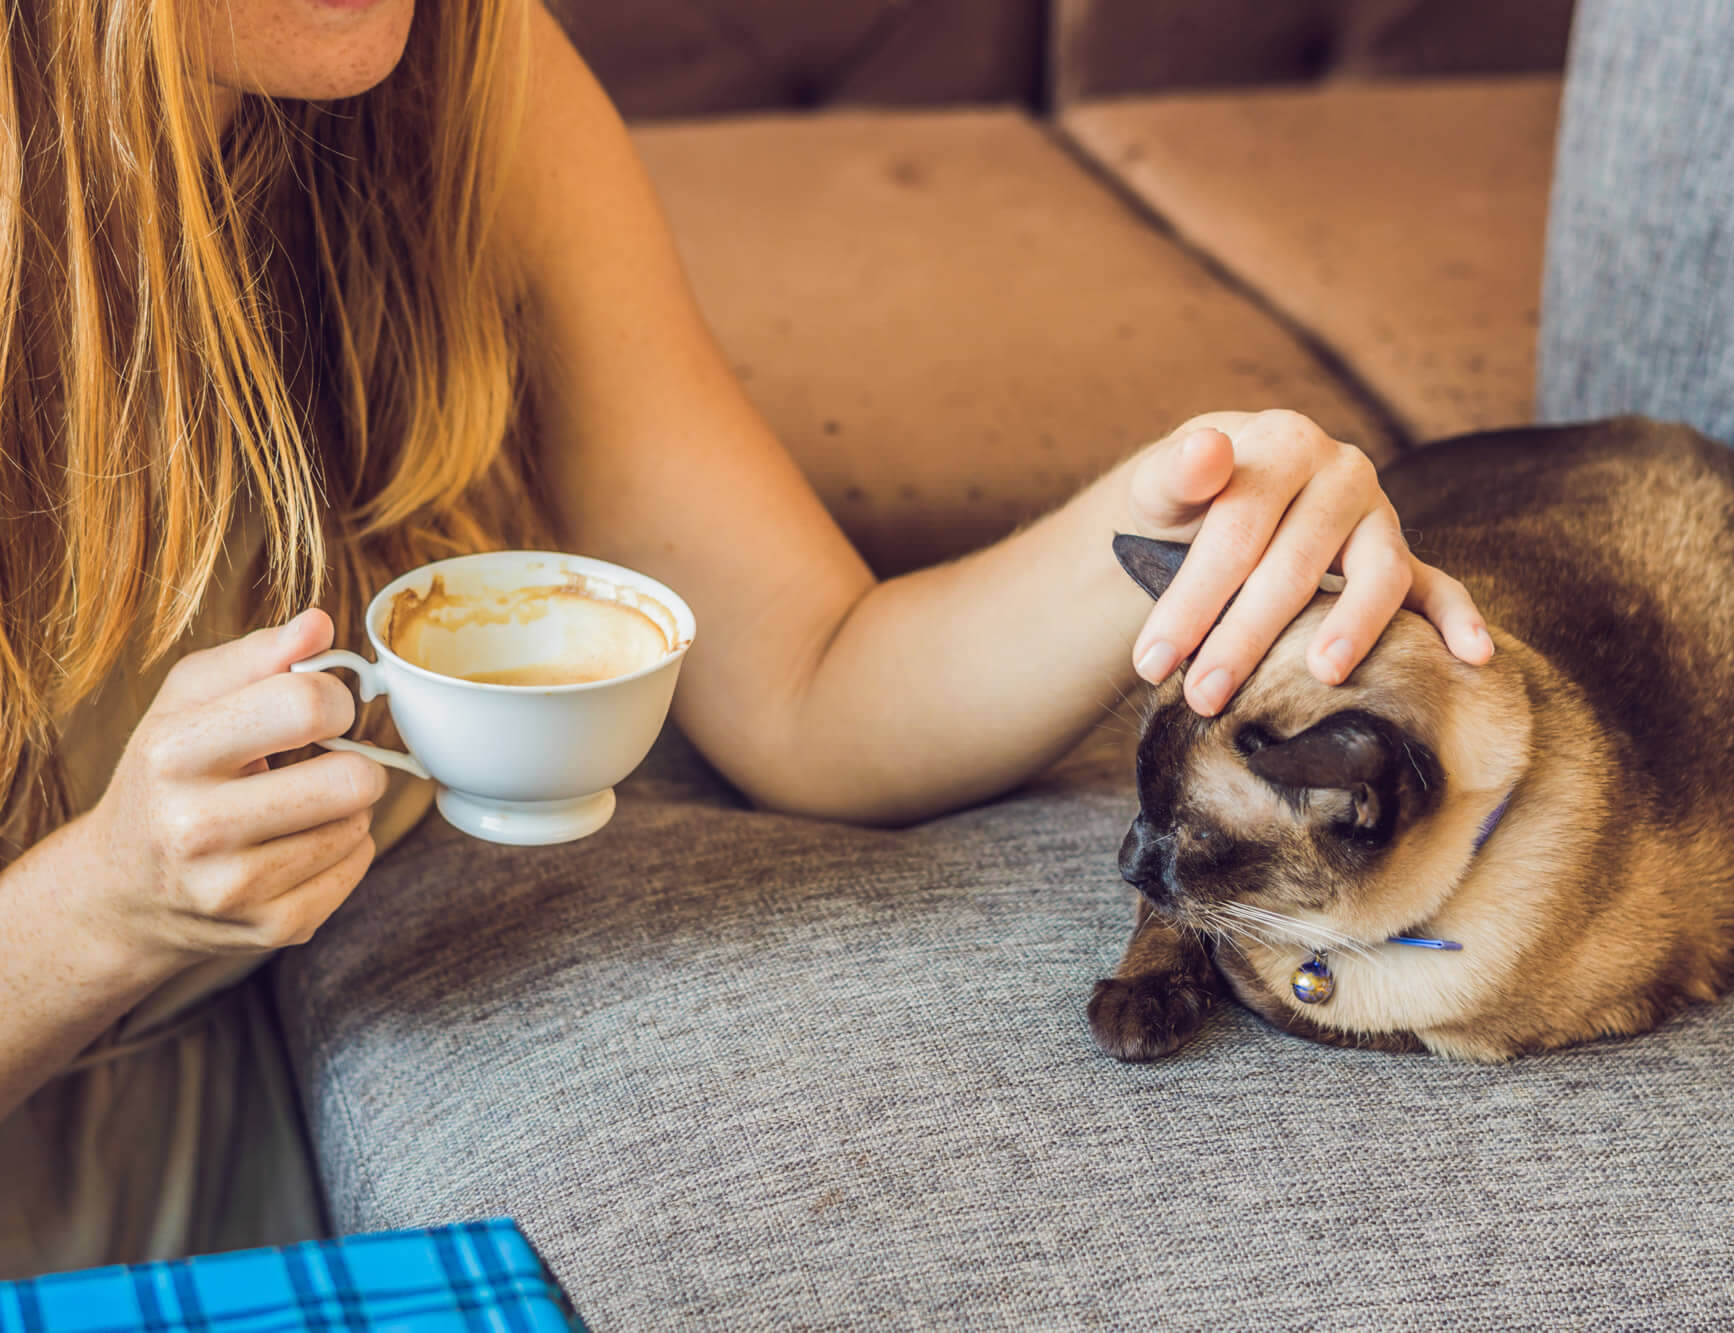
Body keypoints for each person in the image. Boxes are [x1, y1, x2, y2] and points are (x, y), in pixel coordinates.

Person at [0, 0, 1491, 1278]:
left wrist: (1194, 519)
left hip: (270, 1092)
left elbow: (811, 678)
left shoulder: (467, 68)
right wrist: (102, 906)